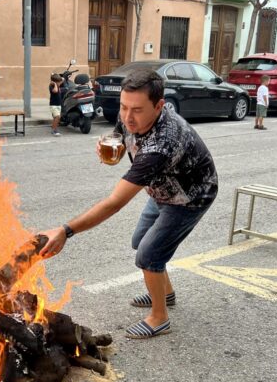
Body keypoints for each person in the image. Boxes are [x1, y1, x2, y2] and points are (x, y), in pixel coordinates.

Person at [39, 68, 218, 339]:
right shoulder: (130, 116)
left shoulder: (162, 143)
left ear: (159, 105)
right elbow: (122, 140)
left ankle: (159, 318)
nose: (127, 117)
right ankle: (165, 293)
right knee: (140, 241)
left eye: (136, 110)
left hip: (190, 197)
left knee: (148, 255)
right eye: (124, 107)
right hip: (162, 189)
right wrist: (112, 149)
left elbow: (115, 202)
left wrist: (66, 231)